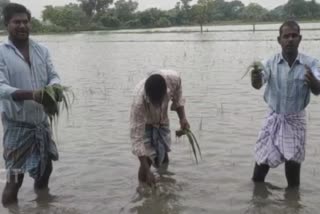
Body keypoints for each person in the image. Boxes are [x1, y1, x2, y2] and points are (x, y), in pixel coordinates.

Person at [0, 3, 62, 206]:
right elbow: (1, 87)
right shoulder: (1, 53)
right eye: (16, 22)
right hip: (17, 126)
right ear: (6, 24)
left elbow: (53, 76)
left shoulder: (41, 50)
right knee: (14, 182)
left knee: (45, 172)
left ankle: (43, 206)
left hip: (41, 125)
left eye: (25, 22)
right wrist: (31, 94)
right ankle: (10, 208)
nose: (22, 26)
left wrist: (53, 89)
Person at [251, 20, 320, 188]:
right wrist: (255, 79)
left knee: (293, 170)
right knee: (260, 167)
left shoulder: (311, 63)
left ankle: (291, 204)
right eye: (286, 36)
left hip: (296, 120)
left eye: (294, 36)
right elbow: (258, 84)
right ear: (279, 40)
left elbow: (318, 90)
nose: (290, 39)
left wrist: (313, 82)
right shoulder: (269, 63)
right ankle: (258, 201)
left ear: (300, 39)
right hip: (273, 118)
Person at [130, 69, 190, 187]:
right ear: (148, 96)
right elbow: (137, 140)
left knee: (163, 153)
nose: (157, 105)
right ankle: (142, 190)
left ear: (165, 93)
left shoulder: (174, 80)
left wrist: (182, 118)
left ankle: (165, 184)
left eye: (159, 101)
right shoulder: (138, 103)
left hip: (162, 121)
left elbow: (178, 99)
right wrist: (148, 171)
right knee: (147, 159)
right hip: (146, 121)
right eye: (154, 102)